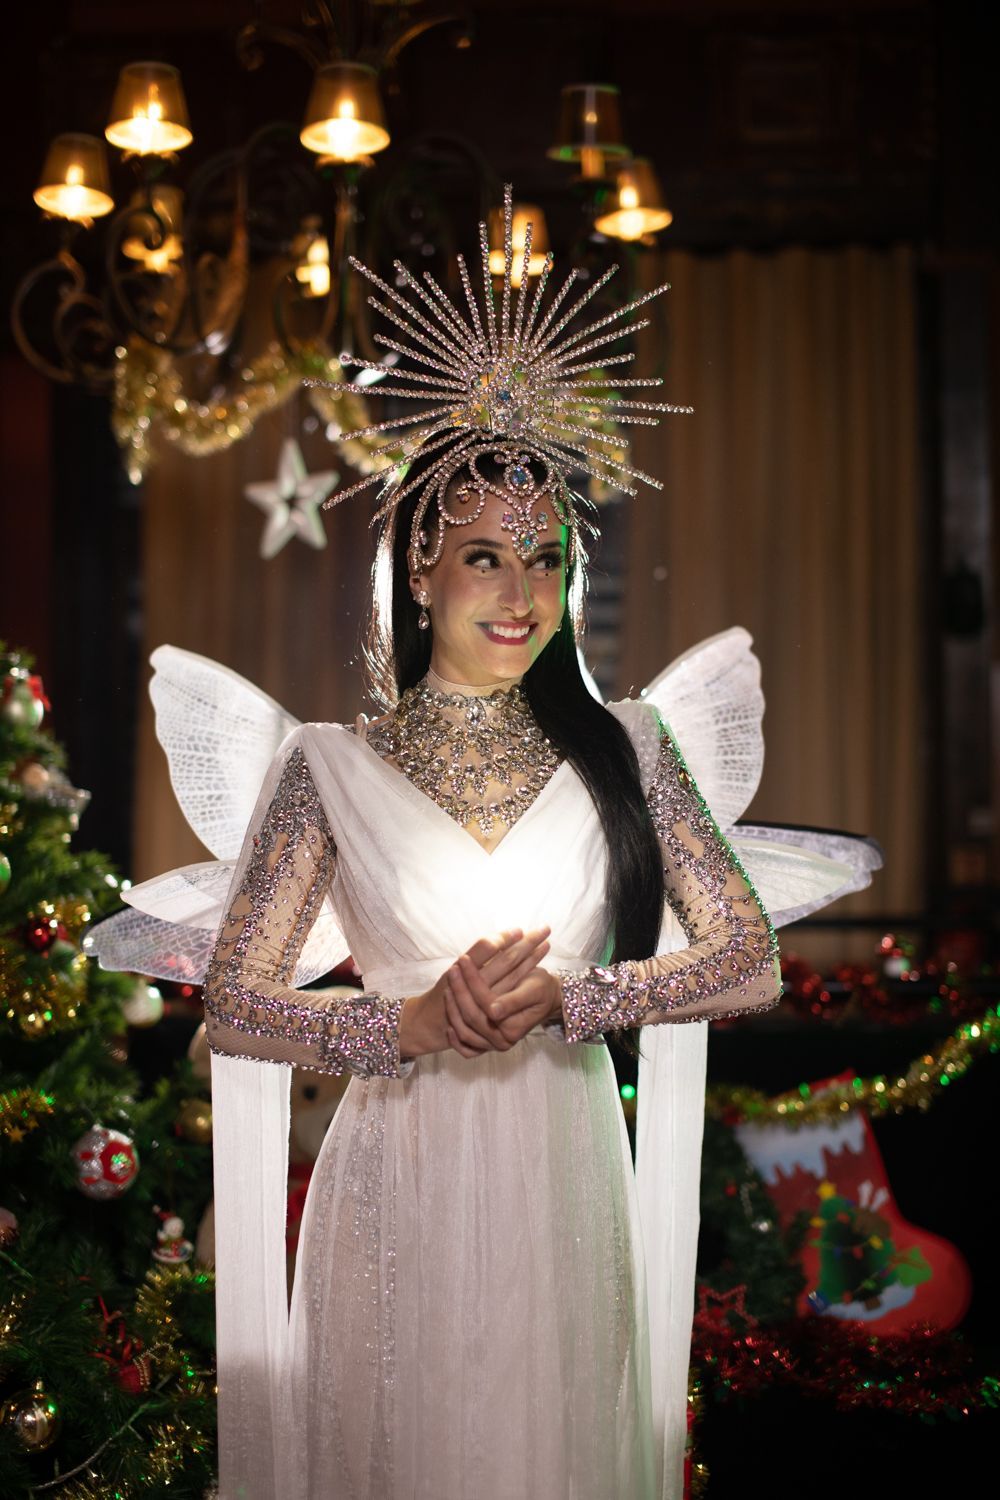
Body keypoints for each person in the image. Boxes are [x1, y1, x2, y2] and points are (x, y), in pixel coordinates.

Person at [88, 189, 878, 1499]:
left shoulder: (628, 747)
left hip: (563, 1171)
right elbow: (233, 1005)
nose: (523, 595)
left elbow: (747, 961)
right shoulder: (326, 766)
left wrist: (582, 998)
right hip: (396, 1176)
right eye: (487, 559)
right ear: (419, 569)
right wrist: (406, 1024)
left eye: (547, 560)